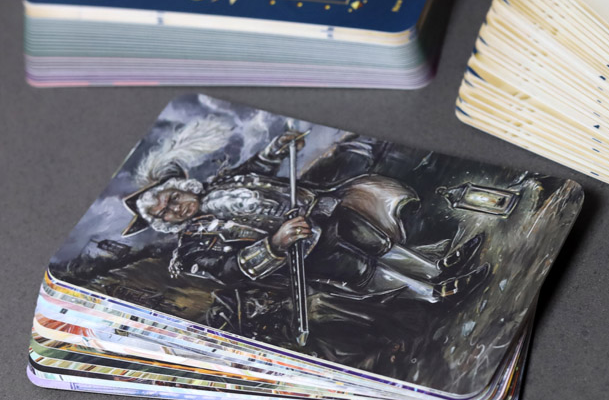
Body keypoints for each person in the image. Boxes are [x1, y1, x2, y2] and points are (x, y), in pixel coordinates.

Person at [123, 130, 488, 306]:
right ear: (163, 224)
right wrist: (275, 243)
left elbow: (256, 169)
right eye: (164, 213)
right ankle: (435, 293)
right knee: (365, 270)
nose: (175, 209)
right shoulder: (192, 245)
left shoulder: (221, 183)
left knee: (379, 243)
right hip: (303, 251)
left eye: (172, 198)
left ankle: (438, 267)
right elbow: (229, 270)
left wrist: (276, 150)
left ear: (182, 186)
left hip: (323, 211)